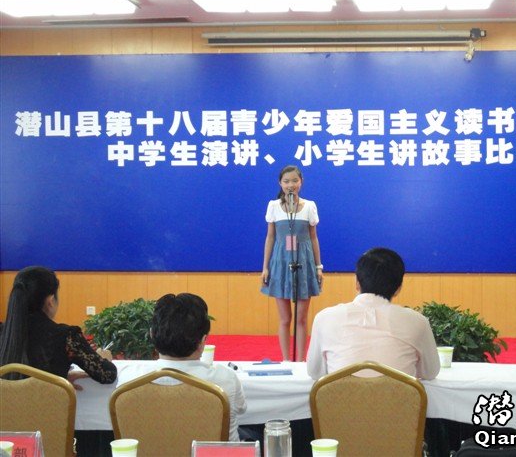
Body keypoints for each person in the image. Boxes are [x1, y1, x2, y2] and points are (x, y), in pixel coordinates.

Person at [117, 293, 247, 441]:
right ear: (203, 340)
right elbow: (241, 409)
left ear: (152, 334)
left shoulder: (128, 379)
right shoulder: (225, 379)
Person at [306, 247, 440, 380]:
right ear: (398, 288)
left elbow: (315, 372)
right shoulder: (417, 322)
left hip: (340, 395)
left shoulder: (324, 318)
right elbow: (430, 373)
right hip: (396, 395)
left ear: (357, 283)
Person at [0, 266, 116, 387]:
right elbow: (108, 375)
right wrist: (104, 358)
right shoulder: (67, 336)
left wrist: (59, 378)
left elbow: (21, 379)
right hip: (47, 400)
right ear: (50, 301)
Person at [261, 165, 323, 362]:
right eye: (286, 181)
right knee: (285, 319)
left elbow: (313, 238)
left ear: (301, 182)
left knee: (301, 319)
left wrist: (319, 266)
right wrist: (265, 267)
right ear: (280, 183)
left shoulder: (310, 206)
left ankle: (301, 362)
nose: (291, 185)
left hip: (304, 261)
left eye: (294, 181)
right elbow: (270, 237)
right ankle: (287, 361)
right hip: (281, 262)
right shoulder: (273, 206)